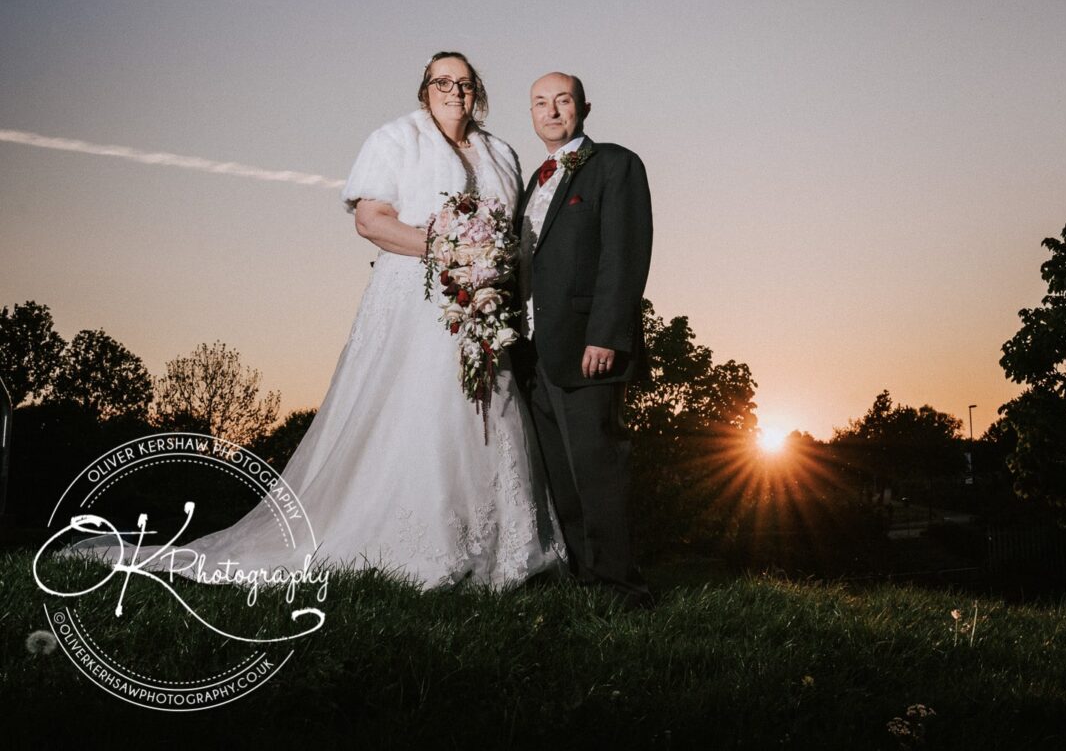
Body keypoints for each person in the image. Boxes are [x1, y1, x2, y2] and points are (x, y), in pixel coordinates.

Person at [71, 53, 564, 589]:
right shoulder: (395, 139)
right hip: (414, 302)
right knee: (422, 411)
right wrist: (448, 249)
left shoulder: (501, 152)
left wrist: (490, 271)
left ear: (479, 92)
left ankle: (504, 550)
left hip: (484, 307)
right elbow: (371, 221)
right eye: (442, 82)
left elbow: (509, 231)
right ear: (425, 89)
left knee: (491, 409)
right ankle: (416, 544)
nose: (455, 91)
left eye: (465, 83)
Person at [517, 72, 654, 606]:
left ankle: (624, 589)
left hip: (587, 348)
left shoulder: (615, 164)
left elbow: (625, 254)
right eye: (540, 103)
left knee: (599, 471)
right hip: (535, 352)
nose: (551, 111)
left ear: (584, 107)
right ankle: (587, 581)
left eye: (563, 100)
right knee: (563, 477)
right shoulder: (534, 180)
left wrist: (606, 336)